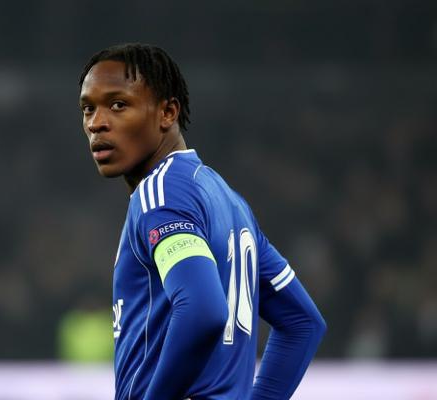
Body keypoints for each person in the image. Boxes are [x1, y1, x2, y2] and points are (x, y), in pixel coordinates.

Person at [78, 43, 326, 400]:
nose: (96, 123)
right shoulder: (228, 202)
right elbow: (302, 323)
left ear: (167, 112)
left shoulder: (161, 195)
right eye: (88, 108)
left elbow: (203, 309)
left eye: (118, 105)